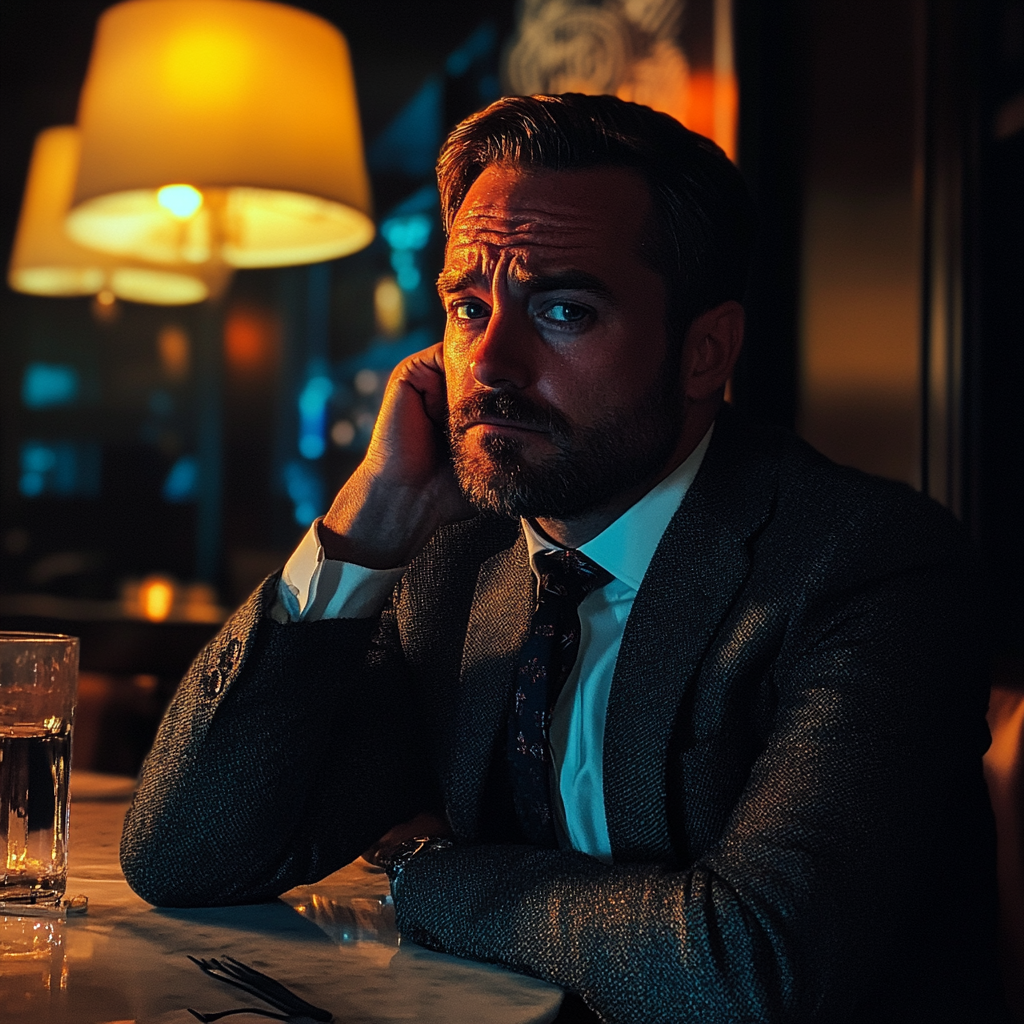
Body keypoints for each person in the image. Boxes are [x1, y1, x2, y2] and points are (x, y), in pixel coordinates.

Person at [121, 95, 1004, 1023]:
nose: (490, 363)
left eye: (564, 310)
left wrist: (432, 879)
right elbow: (190, 859)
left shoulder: (869, 567)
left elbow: (750, 970)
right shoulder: (461, 563)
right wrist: (360, 532)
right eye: (468, 307)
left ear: (705, 353)